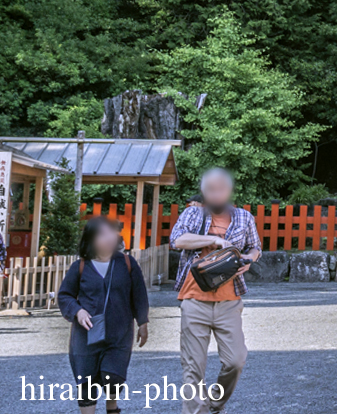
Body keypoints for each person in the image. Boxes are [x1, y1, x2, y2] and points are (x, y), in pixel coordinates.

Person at [170, 167, 260, 414]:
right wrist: (214, 240)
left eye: (222, 189)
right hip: (194, 299)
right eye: (211, 189)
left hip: (229, 301)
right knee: (193, 369)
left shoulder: (244, 218)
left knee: (236, 360)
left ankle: (214, 404)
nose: (217, 194)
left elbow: (255, 247)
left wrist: (249, 259)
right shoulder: (193, 214)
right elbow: (177, 240)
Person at [59, 216, 149, 414]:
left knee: (113, 376)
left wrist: (143, 322)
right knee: (86, 381)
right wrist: (78, 311)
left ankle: (112, 408)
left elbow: (139, 294)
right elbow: (65, 295)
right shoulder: (80, 266)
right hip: (86, 334)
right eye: (102, 234)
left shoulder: (127, 263)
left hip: (119, 332)